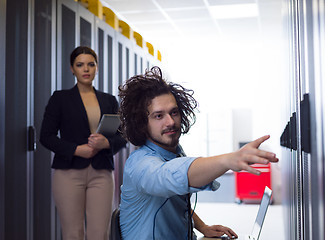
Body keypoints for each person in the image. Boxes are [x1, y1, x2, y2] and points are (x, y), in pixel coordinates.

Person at [118, 66, 279, 240]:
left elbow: (176, 196)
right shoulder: (140, 164)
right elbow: (168, 177)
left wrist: (202, 227)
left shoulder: (174, 152)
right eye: (159, 116)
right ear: (142, 123)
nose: (171, 122)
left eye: (174, 112)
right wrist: (228, 160)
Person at [40, 46, 127, 240]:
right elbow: (46, 136)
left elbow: (123, 137)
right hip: (68, 173)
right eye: (80, 65)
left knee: (99, 234)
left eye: (91, 64)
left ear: (97, 68)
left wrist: (106, 143)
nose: (86, 69)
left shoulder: (109, 100)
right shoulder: (60, 98)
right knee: (73, 234)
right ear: (72, 69)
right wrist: (77, 150)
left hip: (102, 173)